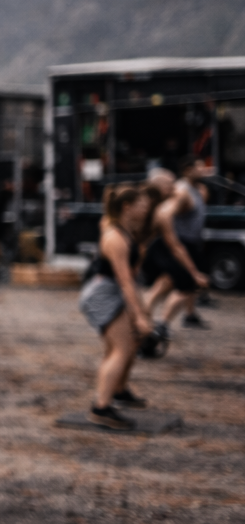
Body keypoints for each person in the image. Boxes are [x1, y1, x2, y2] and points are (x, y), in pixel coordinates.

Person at [77, 184, 154, 430]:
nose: (147, 207)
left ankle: (114, 394)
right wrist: (138, 316)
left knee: (125, 347)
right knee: (121, 349)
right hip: (102, 294)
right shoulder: (115, 237)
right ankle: (101, 407)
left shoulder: (125, 232)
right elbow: (124, 280)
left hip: (109, 291)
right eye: (141, 204)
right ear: (126, 207)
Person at [141, 157, 212, 330]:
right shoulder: (176, 198)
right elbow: (174, 245)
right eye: (169, 184)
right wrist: (194, 273)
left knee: (166, 285)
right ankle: (158, 325)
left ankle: (150, 324)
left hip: (177, 245)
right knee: (185, 284)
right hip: (171, 246)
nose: (173, 187)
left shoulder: (199, 190)